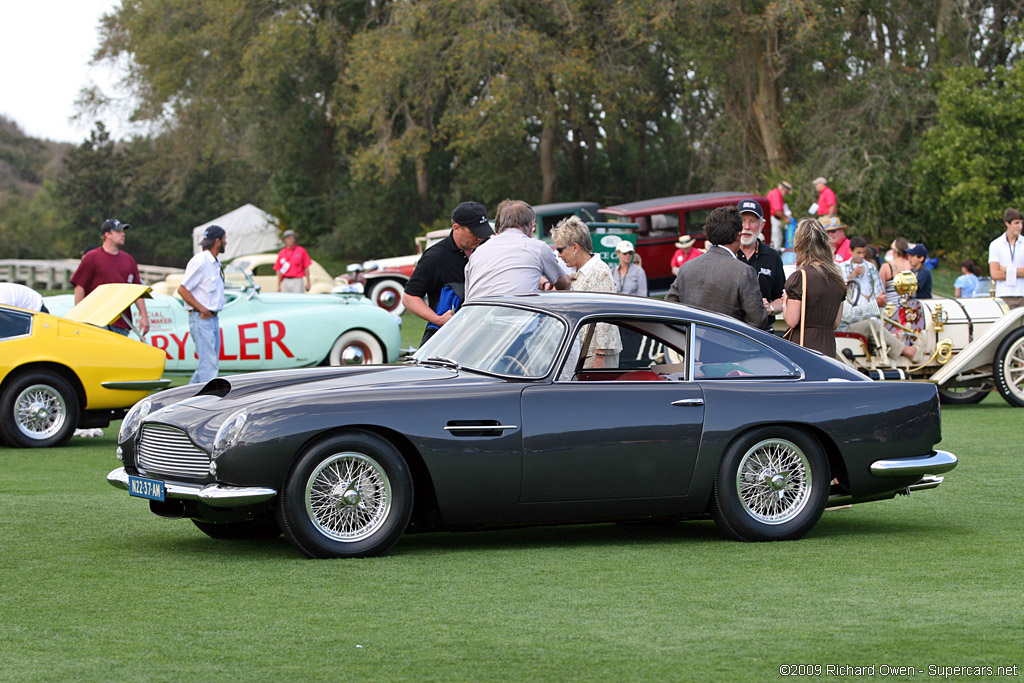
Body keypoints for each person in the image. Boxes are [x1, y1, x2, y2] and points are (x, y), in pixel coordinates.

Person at [665, 206, 772, 329]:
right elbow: (757, 321)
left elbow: (670, 309)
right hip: (730, 346)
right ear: (738, 236)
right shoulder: (743, 272)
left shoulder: (686, 267)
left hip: (692, 344)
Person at [402, 201, 494, 344]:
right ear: (456, 227)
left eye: (482, 231)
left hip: (485, 338)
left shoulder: (488, 248)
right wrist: (438, 320)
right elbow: (409, 298)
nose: (480, 237)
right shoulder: (435, 257)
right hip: (448, 341)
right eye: (474, 233)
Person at [464, 200, 570, 300]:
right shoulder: (538, 248)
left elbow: (469, 295)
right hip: (517, 316)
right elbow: (564, 285)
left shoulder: (477, 253)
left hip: (475, 315)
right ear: (531, 225)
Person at [552, 216, 622, 369]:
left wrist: (600, 355)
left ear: (575, 247)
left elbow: (606, 314)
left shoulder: (599, 270)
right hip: (586, 352)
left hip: (597, 355)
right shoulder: (581, 273)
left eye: (560, 249)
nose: (559, 254)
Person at [70, 218, 150, 337]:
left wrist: (144, 316)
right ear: (107, 234)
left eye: (123, 231)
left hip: (121, 323)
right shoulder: (92, 257)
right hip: (96, 321)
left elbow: (137, 290)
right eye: (118, 231)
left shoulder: (129, 260)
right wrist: (80, 316)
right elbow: (79, 286)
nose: (123, 234)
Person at [783, 218, 845, 357]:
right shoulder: (837, 278)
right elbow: (835, 323)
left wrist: (785, 302)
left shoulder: (800, 278)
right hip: (828, 347)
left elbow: (792, 321)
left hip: (804, 347)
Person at [177, 225, 227, 384]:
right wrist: (202, 309)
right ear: (217, 241)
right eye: (224, 239)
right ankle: (208, 401)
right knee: (209, 364)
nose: (226, 242)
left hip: (211, 318)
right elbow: (182, 289)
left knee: (208, 362)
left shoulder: (214, 262)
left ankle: (190, 397)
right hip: (202, 318)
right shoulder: (201, 261)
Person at [735, 199, 785, 328]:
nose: (746, 226)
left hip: (763, 333)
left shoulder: (772, 257)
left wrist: (770, 308)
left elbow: (783, 298)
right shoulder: (727, 254)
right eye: (742, 221)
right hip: (731, 332)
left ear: (762, 225)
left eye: (752, 221)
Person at [840, 296, 918, 363]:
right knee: (871, 325)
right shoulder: (832, 287)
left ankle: (894, 341)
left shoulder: (830, 286)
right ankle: (907, 351)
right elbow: (850, 315)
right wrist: (876, 305)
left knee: (869, 322)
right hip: (840, 332)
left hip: (839, 329)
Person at [989, 207, 1024, 308]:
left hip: (1022, 294)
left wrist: (1006, 270)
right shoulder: (996, 244)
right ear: (1008, 224)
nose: (1020, 226)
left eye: (1021, 223)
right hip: (1003, 295)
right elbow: (995, 274)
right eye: (1017, 223)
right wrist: (1019, 272)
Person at [839, 236, 882, 306]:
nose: (862, 256)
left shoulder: (871, 267)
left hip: (870, 310)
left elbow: (879, 290)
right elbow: (840, 292)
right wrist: (853, 275)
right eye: (859, 253)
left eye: (864, 252)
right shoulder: (842, 267)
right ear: (850, 251)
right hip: (850, 310)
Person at [879, 237, 912, 305]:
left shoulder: (886, 267)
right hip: (908, 307)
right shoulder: (911, 266)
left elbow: (880, 291)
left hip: (891, 308)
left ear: (894, 251)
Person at [766, 180, 793, 247]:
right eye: (786, 192)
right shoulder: (776, 194)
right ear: (783, 189)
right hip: (773, 219)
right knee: (776, 240)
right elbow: (777, 211)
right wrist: (786, 218)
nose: (786, 194)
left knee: (778, 238)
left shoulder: (777, 194)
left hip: (774, 219)